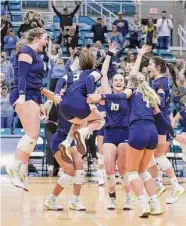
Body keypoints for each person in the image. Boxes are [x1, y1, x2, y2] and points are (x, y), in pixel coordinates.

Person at [87, 43, 134, 211]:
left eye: (121, 80)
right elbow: (104, 73)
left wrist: (139, 56)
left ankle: (129, 197)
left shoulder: (127, 95)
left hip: (124, 134)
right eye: (117, 80)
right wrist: (109, 54)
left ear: (124, 83)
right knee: (108, 168)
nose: (119, 82)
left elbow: (134, 74)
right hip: (109, 134)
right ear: (113, 83)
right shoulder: (108, 94)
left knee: (122, 169)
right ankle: (112, 198)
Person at [6, 27, 48, 191]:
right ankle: (14, 166)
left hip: (31, 95)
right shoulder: (26, 51)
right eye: (45, 38)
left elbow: (36, 80)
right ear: (37, 38)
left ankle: (22, 171)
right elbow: (22, 76)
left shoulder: (35, 54)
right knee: (32, 134)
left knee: (32, 135)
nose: (46, 42)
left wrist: (39, 102)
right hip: (22, 94)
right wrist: (22, 96)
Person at [148, 56, 185, 203]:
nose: (148, 67)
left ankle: (174, 187)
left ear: (157, 67)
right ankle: (159, 184)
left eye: (150, 64)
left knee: (157, 156)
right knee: (152, 155)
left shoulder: (161, 83)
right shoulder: (158, 81)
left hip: (159, 123)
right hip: (158, 122)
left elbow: (159, 106)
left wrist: (173, 133)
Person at [44, 78, 86, 211]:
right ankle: (51, 199)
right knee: (70, 172)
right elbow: (59, 82)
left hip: (71, 140)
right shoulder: (62, 101)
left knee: (80, 170)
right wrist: (51, 91)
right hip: (59, 140)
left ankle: (75, 201)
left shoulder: (81, 103)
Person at [57, 48, 105, 161]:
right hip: (79, 105)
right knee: (100, 120)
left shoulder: (71, 74)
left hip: (63, 108)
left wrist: (57, 94)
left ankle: (67, 143)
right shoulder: (93, 72)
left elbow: (59, 81)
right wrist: (91, 97)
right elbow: (89, 80)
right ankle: (83, 133)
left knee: (80, 121)